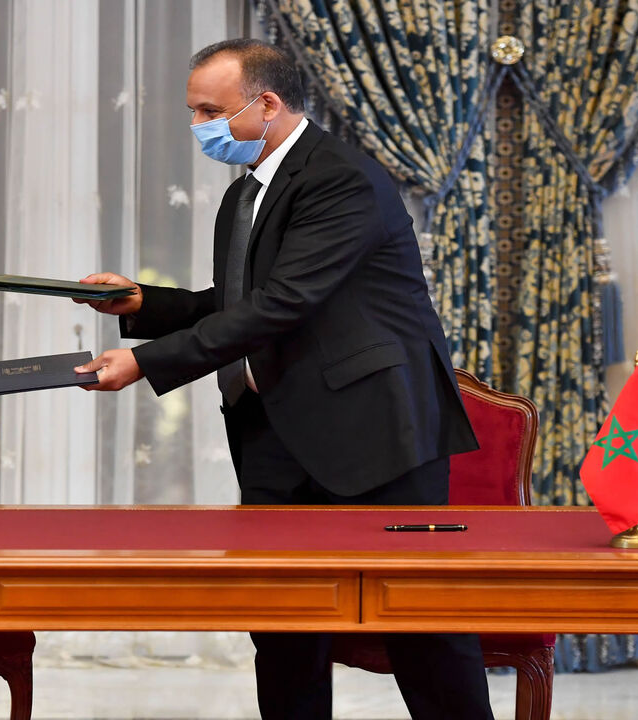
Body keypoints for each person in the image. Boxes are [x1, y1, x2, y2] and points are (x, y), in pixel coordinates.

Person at [73, 40, 494, 720]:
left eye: (211, 111)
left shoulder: (339, 177)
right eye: (193, 111)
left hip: (376, 434)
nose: (199, 127)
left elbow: (284, 304)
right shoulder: (248, 192)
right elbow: (241, 299)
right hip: (274, 435)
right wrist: (142, 304)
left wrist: (147, 363)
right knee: (284, 628)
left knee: (423, 630)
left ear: (267, 104)